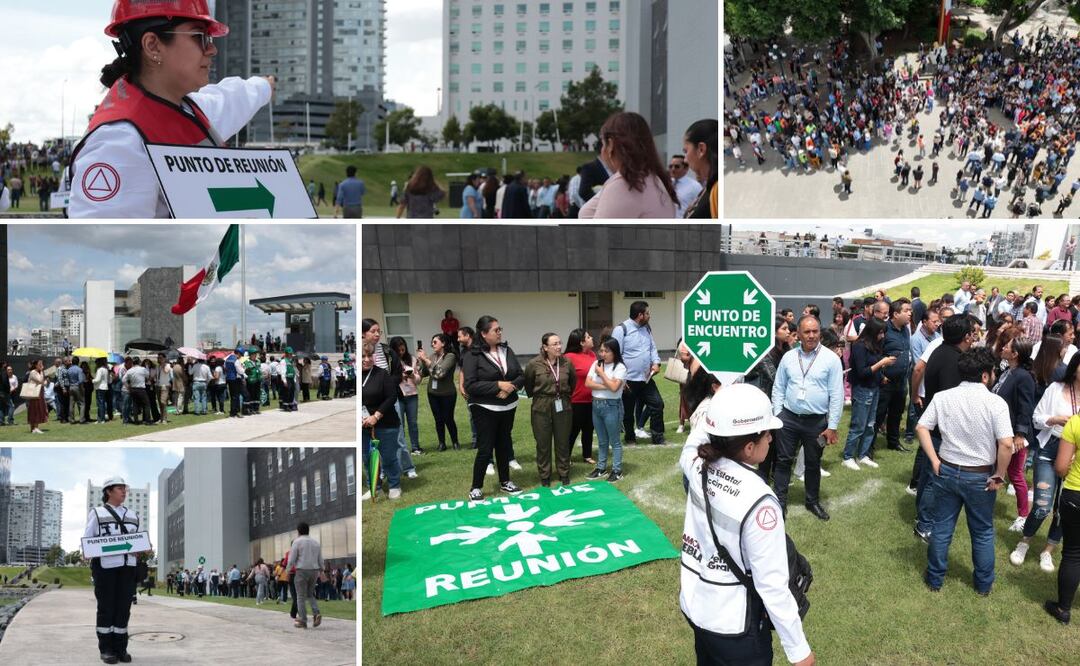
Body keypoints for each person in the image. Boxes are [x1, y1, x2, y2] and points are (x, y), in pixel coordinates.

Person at [68, 0, 274, 218]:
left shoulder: (189, 108)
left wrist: (265, 85)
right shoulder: (118, 143)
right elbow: (106, 242)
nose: (212, 49)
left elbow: (233, 98)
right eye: (200, 37)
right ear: (153, 46)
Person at [679, 384, 814, 666]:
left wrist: (722, 404)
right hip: (736, 624)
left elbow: (694, 441)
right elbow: (771, 585)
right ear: (749, 446)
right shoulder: (759, 499)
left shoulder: (696, 465)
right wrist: (799, 650)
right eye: (768, 434)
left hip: (698, 607)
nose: (771, 440)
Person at [916, 347, 1013, 594]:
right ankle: (982, 585)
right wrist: (999, 475)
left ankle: (934, 579)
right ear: (985, 375)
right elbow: (1006, 444)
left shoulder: (943, 397)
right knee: (981, 532)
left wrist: (935, 460)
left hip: (947, 470)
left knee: (942, 527)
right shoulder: (996, 402)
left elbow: (921, 427)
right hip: (979, 476)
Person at [770, 315, 845, 520]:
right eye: (807, 332)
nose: (812, 336)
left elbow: (837, 394)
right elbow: (779, 388)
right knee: (783, 461)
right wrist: (778, 415)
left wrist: (833, 425)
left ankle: (812, 502)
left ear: (820, 332)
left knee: (813, 463)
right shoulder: (789, 357)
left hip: (816, 422)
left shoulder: (830, 359)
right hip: (789, 419)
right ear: (799, 334)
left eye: (815, 331)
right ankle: (780, 501)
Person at [1015, 352, 1080, 572]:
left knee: (1064, 508)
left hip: (1076, 455)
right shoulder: (1056, 388)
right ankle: (1024, 541)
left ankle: (1048, 550)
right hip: (1050, 447)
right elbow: (1037, 417)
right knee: (1042, 505)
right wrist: (1055, 419)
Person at [463, 315, 525, 500]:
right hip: (484, 408)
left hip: (508, 406)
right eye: (495, 330)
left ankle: (505, 481)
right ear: (483, 333)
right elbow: (471, 385)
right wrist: (499, 385)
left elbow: (520, 375)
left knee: (504, 444)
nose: (499, 333)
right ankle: (476, 487)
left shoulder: (507, 350)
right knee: (485, 448)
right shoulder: (472, 355)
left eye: (500, 329)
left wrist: (510, 387)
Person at [84, 476, 141, 664]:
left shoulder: (133, 515)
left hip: (128, 567)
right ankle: (106, 649)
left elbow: (136, 542)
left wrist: (141, 549)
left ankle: (120, 648)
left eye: (125, 488)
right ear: (108, 491)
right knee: (106, 608)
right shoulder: (97, 513)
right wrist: (90, 550)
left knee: (123, 609)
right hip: (105, 568)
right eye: (120, 488)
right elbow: (88, 540)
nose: (124, 491)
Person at [579, 112, 678, 218]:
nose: (602, 151)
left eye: (603, 144)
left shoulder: (623, 185)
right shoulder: (654, 179)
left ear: (611, 145)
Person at [991, 337, 1036, 533]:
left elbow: (1026, 407)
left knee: (1015, 474)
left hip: (1014, 435)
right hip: (1001, 431)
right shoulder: (1008, 371)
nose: (1003, 347)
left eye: (1007, 346)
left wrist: (1020, 434)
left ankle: (1023, 516)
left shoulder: (1023, 376)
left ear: (1015, 354)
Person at [1045, 395, 1080, 623]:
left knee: (1073, 553)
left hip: (1075, 493)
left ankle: (1063, 609)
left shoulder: (1075, 422)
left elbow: (1059, 467)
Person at [843, 318, 896, 470]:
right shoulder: (859, 346)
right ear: (872, 332)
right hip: (862, 389)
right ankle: (848, 456)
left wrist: (881, 376)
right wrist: (881, 363)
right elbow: (862, 372)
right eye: (880, 333)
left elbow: (874, 368)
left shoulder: (874, 345)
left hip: (874, 388)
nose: (882, 336)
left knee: (870, 425)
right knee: (858, 425)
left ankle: (863, 455)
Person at [524, 332, 575, 486]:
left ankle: (563, 473)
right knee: (543, 442)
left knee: (562, 441)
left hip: (562, 404)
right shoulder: (534, 364)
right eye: (555, 344)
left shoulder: (567, 362)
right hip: (541, 405)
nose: (559, 346)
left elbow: (573, 382)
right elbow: (528, 384)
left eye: (560, 343)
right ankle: (545, 475)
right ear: (545, 347)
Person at [612, 301, 665, 445]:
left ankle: (658, 437)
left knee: (657, 404)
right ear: (640, 315)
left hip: (646, 379)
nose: (649, 316)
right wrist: (620, 379)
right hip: (628, 380)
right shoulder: (621, 329)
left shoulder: (646, 328)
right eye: (647, 313)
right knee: (628, 412)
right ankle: (630, 437)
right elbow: (615, 355)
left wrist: (656, 362)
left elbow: (652, 348)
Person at [584, 338, 628, 482]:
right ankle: (601, 467)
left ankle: (617, 470)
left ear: (614, 352)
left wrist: (602, 374)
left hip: (612, 406)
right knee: (602, 440)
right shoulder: (596, 364)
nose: (602, 354)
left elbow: (615, 389)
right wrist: (608, 385)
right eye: (601, 350)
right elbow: (588, 383)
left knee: (614, 441)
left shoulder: (620, 367)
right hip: (596, 405)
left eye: (606, 351)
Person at [417, 333, 460, 451]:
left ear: (444, 343)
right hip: (433, 393)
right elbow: (424, 373)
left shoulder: (450, 356)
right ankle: (442, 443)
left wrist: (426, 360)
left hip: (447, 394)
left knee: (448, 418)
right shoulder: (432, 356)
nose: (432, 344)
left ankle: (455, 442)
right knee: (438, 419)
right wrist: (421, 361)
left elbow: (440, 373)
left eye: (435, 342)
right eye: (432, 342)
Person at [287, 521, 323, 628]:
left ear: (298, 531)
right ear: (308, 530)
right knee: (310, 594)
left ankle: (303, 619)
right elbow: (320, 559)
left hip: (301, 570)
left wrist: (288, 570)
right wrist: (322, 569)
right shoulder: (316, 543)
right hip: (314, 570)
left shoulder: (297, 542)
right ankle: (316, 613)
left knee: (300, 596)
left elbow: (292, 559)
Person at [683, 119, 719, 218]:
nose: (685, 160)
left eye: (686, 151)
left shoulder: (717, 190)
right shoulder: (709, 188)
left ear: (701, 149)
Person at [25, 359, 48, 434]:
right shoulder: (33, 372)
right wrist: (42, 372)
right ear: (35, 365)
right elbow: (40, 380)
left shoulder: (38, 372)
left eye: (42, 363)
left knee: (36, 409)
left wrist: (44, 381)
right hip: (35, 393)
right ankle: (35, 428)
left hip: (38, 393)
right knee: (35, 410)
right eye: (40, 364)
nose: (41, 365)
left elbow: (43, 383)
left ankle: (34, 428)